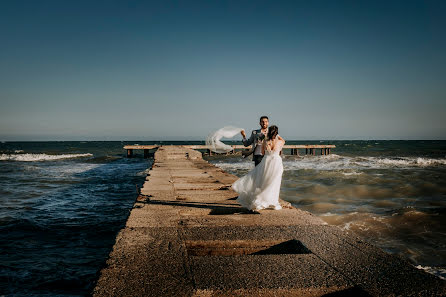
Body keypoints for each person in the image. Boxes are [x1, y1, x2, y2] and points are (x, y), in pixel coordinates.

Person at [232, 125, 285, 211]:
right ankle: (273, 202)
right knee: (275, 182)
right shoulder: (280, 142)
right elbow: (283, 140)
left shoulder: (265, 141)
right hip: (276, 162)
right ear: (277, 133)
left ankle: (262, 200)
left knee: (264, 181)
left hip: (267, 161)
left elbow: (262, 152)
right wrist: (277, 135)